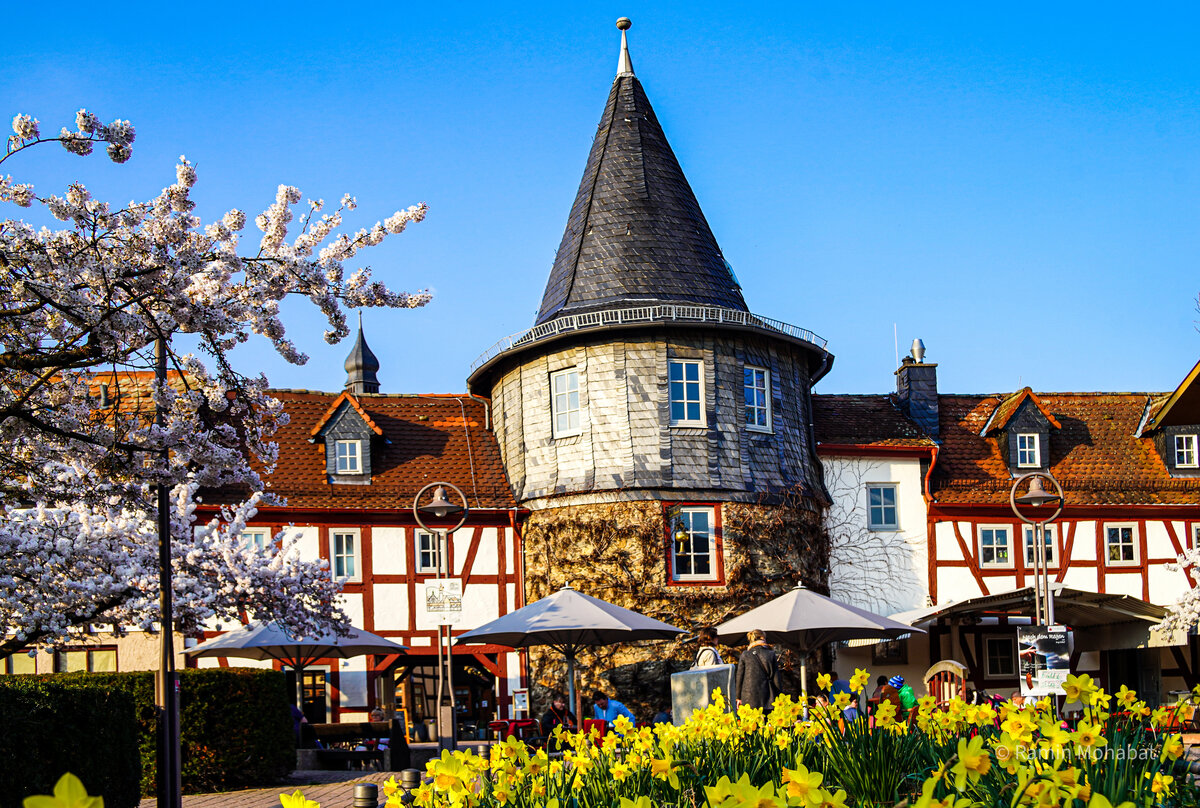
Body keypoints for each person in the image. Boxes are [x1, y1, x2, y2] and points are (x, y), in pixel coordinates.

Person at [735, 629, 781, 711]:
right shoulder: (770, 654)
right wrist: (779, 697)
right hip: (768, 697)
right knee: (768, 722)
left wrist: (738, 697)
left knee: (751, 723)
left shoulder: (745, 655)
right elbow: (776, 679)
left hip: (748, 698)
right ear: (762, 637)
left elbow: (739, 678)